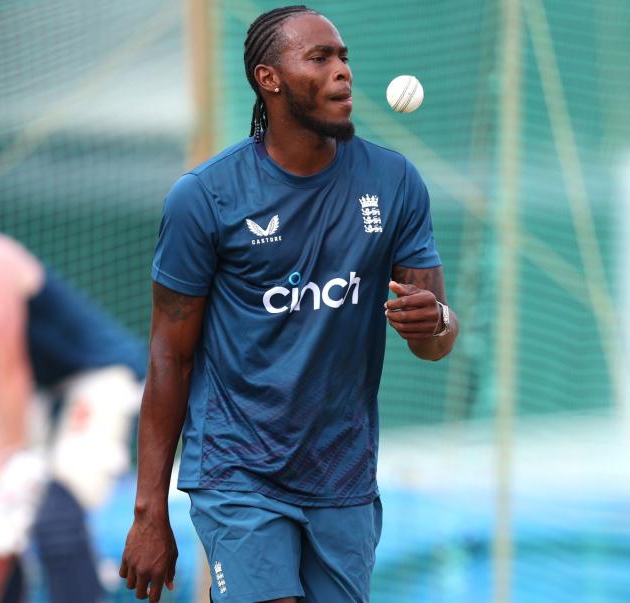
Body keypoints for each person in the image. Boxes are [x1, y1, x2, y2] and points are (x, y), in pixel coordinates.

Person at [119, 5, 459, 603]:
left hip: (342, 475)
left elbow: (434, 341)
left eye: (345, 58)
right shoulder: (205, 198)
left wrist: (436, 320)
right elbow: (170, 358)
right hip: (237, 471)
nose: (343, 73)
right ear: (268, 79)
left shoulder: (395, 181)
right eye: (320, 58)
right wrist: (149, 512)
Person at [0, 174, 146, 603]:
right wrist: (0, 482)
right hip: (41, 396)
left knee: (57, 516)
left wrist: (15, 459)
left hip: (100, 379)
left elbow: (9, 365)